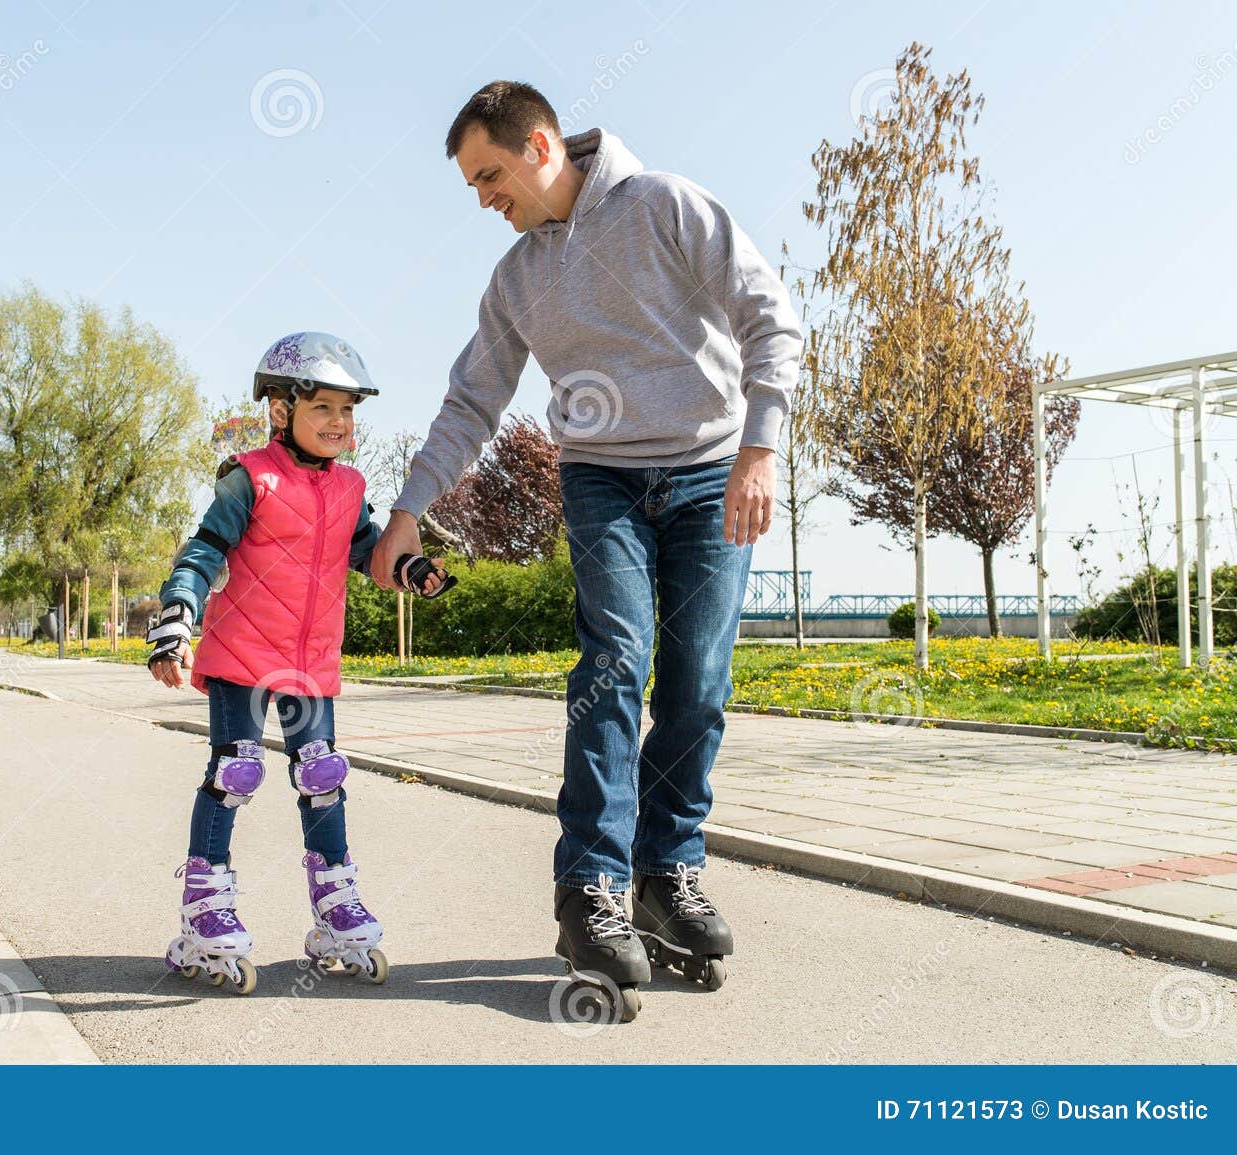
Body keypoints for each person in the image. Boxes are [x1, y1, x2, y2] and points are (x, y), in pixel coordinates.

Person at [370, 82, 802, 1021]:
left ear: (538, 145)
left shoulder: (666, 206)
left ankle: (668, 874)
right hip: (601, 474)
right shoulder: (519, 277)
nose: (485, 199)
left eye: (490, 175)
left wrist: (761, 447)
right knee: (615, 662)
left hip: (710, 468)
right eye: (472, 186)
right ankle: (591, 888)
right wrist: (407, 511)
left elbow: (771, 315)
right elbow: (470, 404)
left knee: (700, 679)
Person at [149, 331, 449, 996]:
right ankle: (205, 907)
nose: (341, 424)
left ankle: (337, 904)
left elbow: (367, 550)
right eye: (324, 410)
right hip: (243, 655)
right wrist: (177, 615)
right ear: (281, 411)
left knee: (323, 776)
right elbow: (203, 550)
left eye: (348, 412)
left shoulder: (350, 487)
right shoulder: (248, 477)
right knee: (236, 771)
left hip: (310, 662)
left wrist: (410, 569)